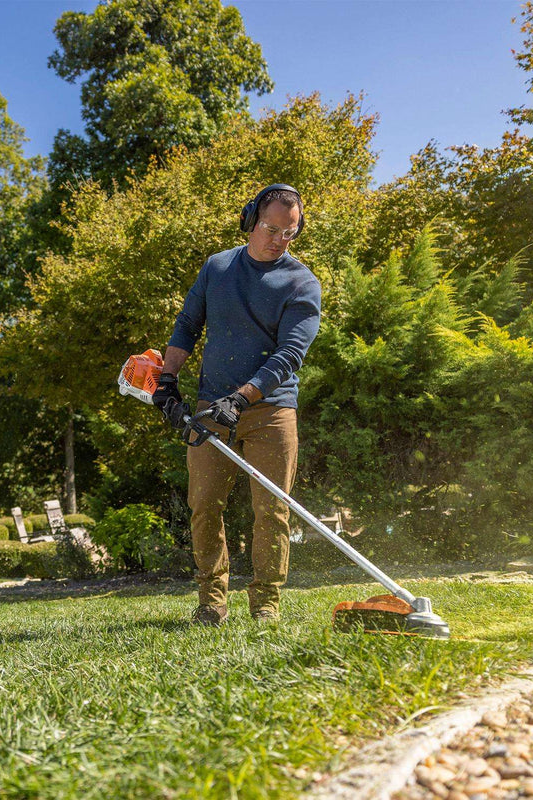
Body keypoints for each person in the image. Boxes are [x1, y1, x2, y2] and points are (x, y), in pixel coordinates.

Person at [152, 184, 322, 626]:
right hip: (212, 410)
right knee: (204, 504)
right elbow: (188, 323)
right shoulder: (218, 267)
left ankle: (265, 602)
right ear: (250, 220)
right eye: (270, 228)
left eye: (290, 232)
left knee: (272, 508)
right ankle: (212, 601)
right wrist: (166, 381)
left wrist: (242, 397)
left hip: (271, 411)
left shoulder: (301, 282)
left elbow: (289, 356)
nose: (278, 240)